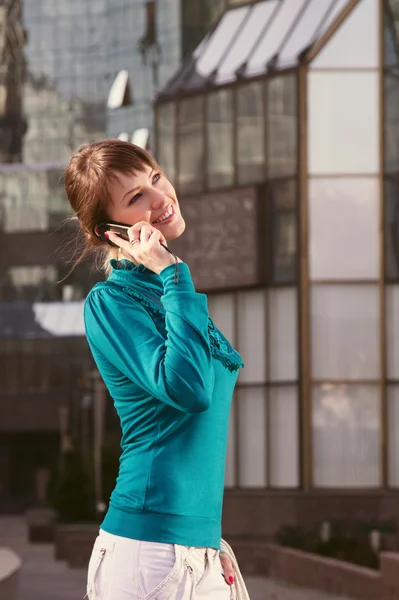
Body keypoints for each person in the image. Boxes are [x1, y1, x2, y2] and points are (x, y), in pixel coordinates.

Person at [64, 140, 247, 600]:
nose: (160, 198)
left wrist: (207, 539)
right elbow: (188, 390)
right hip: (148, 551)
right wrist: (171, 272)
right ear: (110, 231)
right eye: (135, 198)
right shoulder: (111, 303)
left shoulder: (169, 293)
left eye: (155, 178)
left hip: (196, 550)